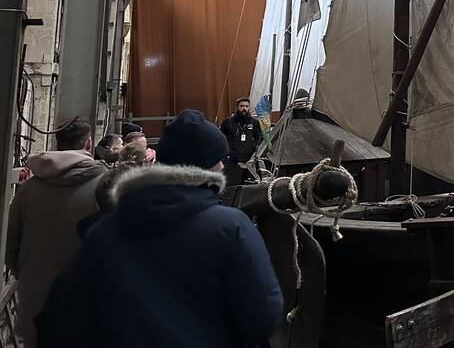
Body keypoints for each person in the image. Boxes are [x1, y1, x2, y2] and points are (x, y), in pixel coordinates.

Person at [36, 109, 283, 347]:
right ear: (207, 167)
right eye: (218, 159)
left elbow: (57, 319)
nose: (222, 165)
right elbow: (262, 317)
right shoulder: (232, 229)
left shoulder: (103, 232)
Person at [6, 118, 106, 348]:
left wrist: (26, 273)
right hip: (84, 297)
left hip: (35, 294)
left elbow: (10, 243)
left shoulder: (29, 188)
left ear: (57, 142)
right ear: (88, 144)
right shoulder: (103, 187)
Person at [220, 97, 262, 186]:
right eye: (242, 106)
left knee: (248, 184)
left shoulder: (254, 123)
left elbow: (259, 138)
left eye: (246, 106)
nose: (244, 108)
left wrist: (252, 148)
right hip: (232, 160)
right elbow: (221, 138)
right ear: (237, 107)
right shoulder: (227, 122)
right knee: (231, 184)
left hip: (248, 159)